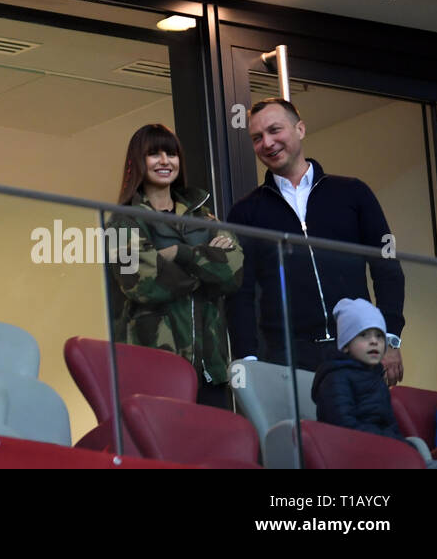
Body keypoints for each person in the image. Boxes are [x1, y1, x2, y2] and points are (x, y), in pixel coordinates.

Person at [228, 98, 405, 380]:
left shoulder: (352, 193)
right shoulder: (245, 211)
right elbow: (240, 292)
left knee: (359, 424)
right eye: (257, 137)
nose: (267, 143)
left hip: (357, 347)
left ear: (300, 129)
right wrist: (248, 360)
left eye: (275, 130)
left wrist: (389, 337)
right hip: (285, 358)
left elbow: (387, 268)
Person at [109, 123, 244, 408]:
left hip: (212, 369)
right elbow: (144, 282)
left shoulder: (204, 216)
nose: (164, 161)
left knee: (214, 450)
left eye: (171, 154)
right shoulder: (123, 221)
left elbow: (234, 273)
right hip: (155, 368)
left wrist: (178, 254)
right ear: (137, 161)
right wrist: (207, 266)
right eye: (153, 154)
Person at [311, 298, 405, 441]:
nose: (374, 341)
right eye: (364, 335)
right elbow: (344, 428)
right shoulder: (335, 379)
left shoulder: (378, 379)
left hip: (382, 449)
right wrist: (386, 441)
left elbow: (391, 425)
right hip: (350, 453)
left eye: (379, 336)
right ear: (346, 345)